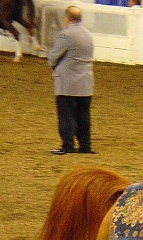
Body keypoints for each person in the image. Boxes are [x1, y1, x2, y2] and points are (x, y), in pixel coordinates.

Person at [47, 5, 95, 155]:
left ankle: (68, 146)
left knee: (66, 115)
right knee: (83, 116)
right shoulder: (88, 34)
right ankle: (85, 146)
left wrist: (53, 66)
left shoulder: (65, 34)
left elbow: (53, 57)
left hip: (67, 82)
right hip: (85, 82)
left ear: (67, 18)